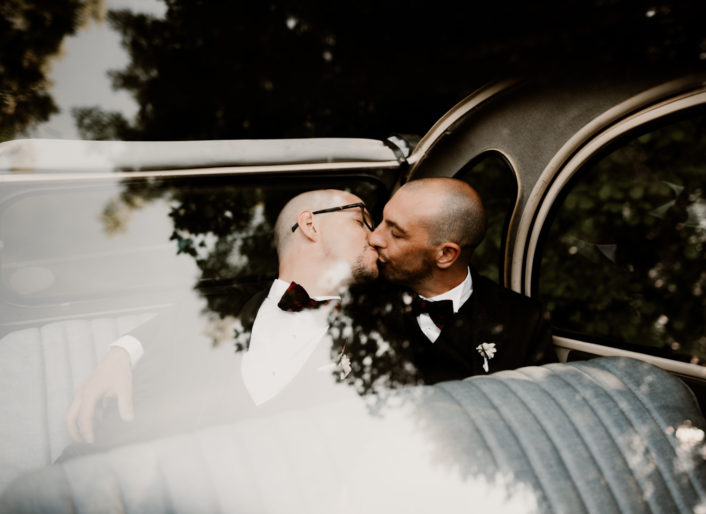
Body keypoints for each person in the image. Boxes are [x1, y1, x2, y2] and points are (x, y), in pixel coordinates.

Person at [65, 188, 379, 447]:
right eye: (361, 220)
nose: (376, 236)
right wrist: (121, 352)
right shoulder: (208, 314)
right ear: (310, 225)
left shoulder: (376, 338)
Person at [368, 177, 558, 383]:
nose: (374, 238)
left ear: (446, 254)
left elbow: (541, 404)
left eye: (395, 233)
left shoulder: (523, 320)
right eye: (381, 221)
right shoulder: (361, 301)